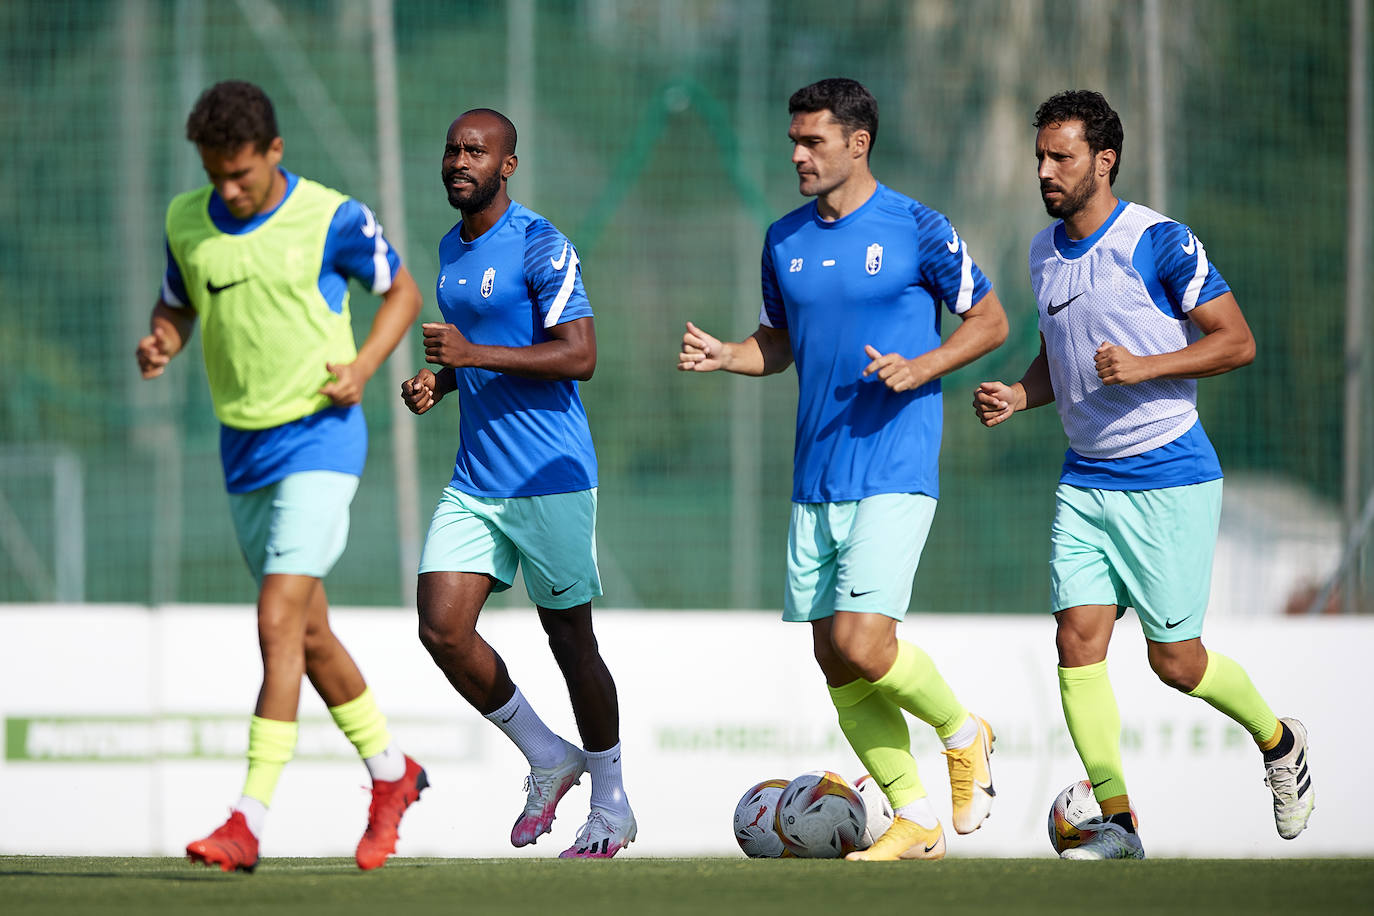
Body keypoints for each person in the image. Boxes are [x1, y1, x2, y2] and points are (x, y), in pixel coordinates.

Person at [973, 89, 1314, 859]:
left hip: (1170, 475)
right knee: (1076, 640)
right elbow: (1062, 357)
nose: (1045, 171)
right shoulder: (1040, 252)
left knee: (1176, 663)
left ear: (1105, 160)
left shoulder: (1159, 242)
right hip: (1085, 481)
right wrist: (1019, 395)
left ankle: (1279, 739)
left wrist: (1146, 366)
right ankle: (1119, 823)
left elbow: (1236, 341)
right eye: (1040, 158)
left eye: (1061, 157)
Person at [678, 78, 1008, 862]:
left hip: (894, 464)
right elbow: (779, 341)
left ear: (857, 144)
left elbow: (990, 321)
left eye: (813, 141)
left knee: (864, 641)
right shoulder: (783, 239)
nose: (797, 154)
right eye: (794, 139)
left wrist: (924, 365)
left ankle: (965, 733)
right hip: (814, 476)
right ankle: (913, 816)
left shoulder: (917, 228)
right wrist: (730, 355)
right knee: (833, 655)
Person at [135, 80, 426, 872]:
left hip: (321, 439)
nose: (227, 191)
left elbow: (402, 291)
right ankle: (393, 775)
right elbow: (180, 303)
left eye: (242, 175)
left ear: (274, 153)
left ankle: (247, 819)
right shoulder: (186, 221)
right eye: (214, 175)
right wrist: (164, 339)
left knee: (274, 619)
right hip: (243, 449)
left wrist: (365, 365)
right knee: (307, 631)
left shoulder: (331, 217)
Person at [400, 108, 635, 859]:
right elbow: (479, 354)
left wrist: (469, 355)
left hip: (550, 476)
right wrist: (443, 379)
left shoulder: (541, 242)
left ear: (507, 166)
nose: (458, 160)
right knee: (441, 624)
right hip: (478, 479)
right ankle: (546, 755)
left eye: (476, 150)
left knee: (570, 640)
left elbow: (578, 355)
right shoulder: (449, 247)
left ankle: (612, 802)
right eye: (451, 149)